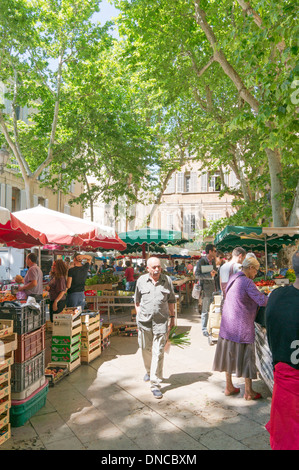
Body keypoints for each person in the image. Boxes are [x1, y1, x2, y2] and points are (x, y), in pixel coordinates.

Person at [212, 256, 268, 400]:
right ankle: (248, 391)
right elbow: (262, 300)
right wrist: (275, 297)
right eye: (256, 270)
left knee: (228, 356)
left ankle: (229, 386)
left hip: (227, 324)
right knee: (248, 358)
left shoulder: (233, 277)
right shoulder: (247, 282)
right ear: (250, 268)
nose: (256, 273)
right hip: (241, 326)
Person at [265, 251, 299, 450]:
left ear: (293, 269)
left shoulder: (276, 297)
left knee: (286, 440)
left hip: (285, 385)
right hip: (288, 381)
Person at [134, 257, 176, 399]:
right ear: (148, 268)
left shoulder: (167, 280)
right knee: (145, 349)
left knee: (158, 352)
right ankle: (148, 370)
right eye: (154, 267)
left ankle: (155, 383)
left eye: (158, 267)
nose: (157, 270)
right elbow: (137, 301)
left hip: (161, 322)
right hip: (144, 322)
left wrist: (173, 318)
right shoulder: (141, 281)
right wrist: (138, 315)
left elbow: (171, 301)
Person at [195, 244, 217, 336]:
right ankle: (204, 329)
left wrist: (215, 273)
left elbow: (214, 273)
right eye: (215, 251)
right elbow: (197, 275)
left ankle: (211, 327)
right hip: (206, 289)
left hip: (214, 289)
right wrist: (209, 275)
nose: (216, 253)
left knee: (212, 310)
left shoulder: (213, 262)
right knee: (205, 310)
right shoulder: (202, 261)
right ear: (210, 251)